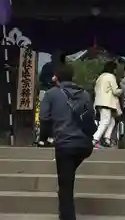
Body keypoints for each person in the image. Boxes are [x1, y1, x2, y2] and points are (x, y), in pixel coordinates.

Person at [39, 63, 94, 220]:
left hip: (65, 144)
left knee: (65, 186)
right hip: (84, 145)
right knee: (67, 176)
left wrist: (44, 138)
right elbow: (90, 117)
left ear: (56, 77)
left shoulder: (51, 94)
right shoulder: (85, 94)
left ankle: (68, 217)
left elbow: (44, 118)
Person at [38, 50, 66, 146]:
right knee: (54, 116)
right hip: (54, 92)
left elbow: (41, 78)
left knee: (44, 116)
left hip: (45, 91)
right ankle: (50, 138)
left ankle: (42, 139)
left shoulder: (47, 66)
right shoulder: (61, 68)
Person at [93, 61, 122, 148]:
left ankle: (107, 139)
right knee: (105, 121)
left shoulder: (100, 77)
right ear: (113, 69)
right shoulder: (111, 76)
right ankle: (94, 139)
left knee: (112, 121)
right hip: (107, 102)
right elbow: (115, 91)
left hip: (99, 102)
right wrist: (122, 90)